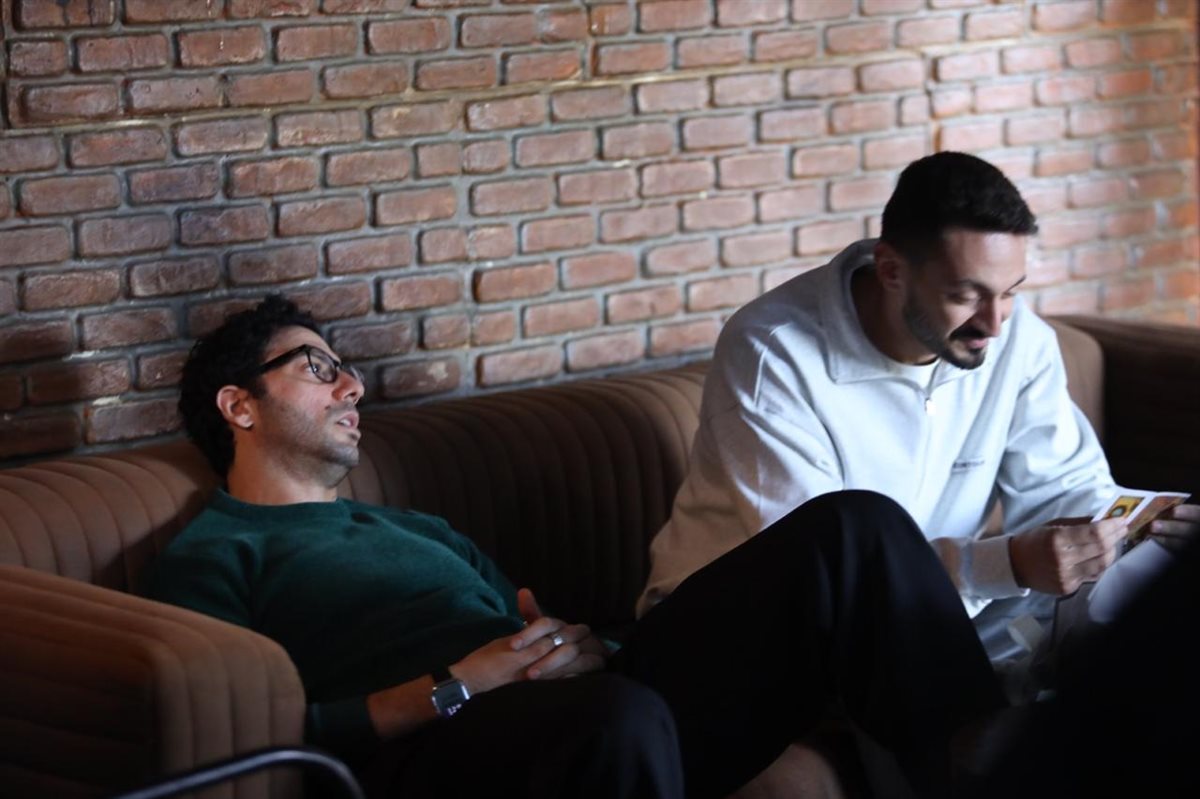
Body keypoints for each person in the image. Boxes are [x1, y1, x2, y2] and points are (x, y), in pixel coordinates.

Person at [147, 295, 1006, 799]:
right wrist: (458, 685)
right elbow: (243, 739)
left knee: (853, 528)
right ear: (239, 406)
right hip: (437, 756)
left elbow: (530, 628)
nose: (352, 384)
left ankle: (997, 772)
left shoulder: (415, 529)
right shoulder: (214, 555)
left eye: (345, 367)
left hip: (581, 712)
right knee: (619, 720)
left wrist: (583, 646)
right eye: (316, 366)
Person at [638, 151, 1196, 665]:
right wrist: (1007, 564)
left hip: (933, 619)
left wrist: (1136, 525)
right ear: (891, 271)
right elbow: (828, 573)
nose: (994, 323)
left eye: (1009, 291)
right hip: (746, 632)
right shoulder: (775, 352)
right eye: (965, 294)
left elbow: (1063, 488)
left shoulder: (1018, 340)